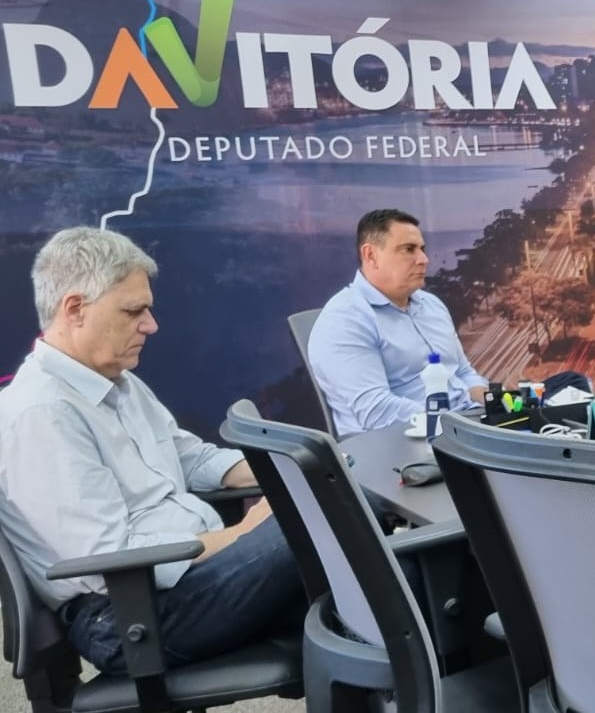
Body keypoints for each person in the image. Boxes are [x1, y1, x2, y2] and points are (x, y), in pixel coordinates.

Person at [0, 228, 302, 673]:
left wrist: (293, 468)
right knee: (329, 528)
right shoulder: (40, 413)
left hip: (185, 581)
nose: (151, 325)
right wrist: (246, 533)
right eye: (133, 311)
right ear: (75, 309)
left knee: (360, 574)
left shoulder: (119, 382)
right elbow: (106, 558)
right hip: (133, 616)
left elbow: (193, 459)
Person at [309, 208, 490, 435]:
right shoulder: (345, 320)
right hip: (403, 443)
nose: (424, 260)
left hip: (462, 427)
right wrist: (452, 423)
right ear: (371, 255)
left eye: (422, 249)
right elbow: (376, 411)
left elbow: (463, 372)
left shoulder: (432, 305)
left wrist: (495, 403)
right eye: (408, 250)